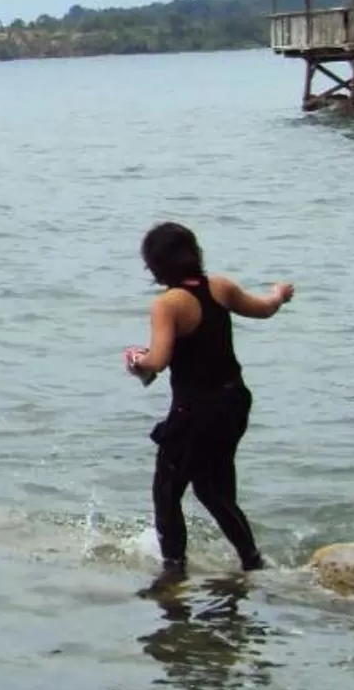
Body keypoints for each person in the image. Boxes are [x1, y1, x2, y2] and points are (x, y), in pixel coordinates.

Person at [126, 221, 293, 580]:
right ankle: (252, 561)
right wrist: (279, 294)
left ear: (155, 266)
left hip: (195, 411)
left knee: (168, 492)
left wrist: (136, 361)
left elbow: (158, 361)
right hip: (233, 402)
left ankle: (173, 572)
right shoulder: (220, 287)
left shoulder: (168, 305)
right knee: (215, 489)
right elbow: (264, 309)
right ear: (194, 253)